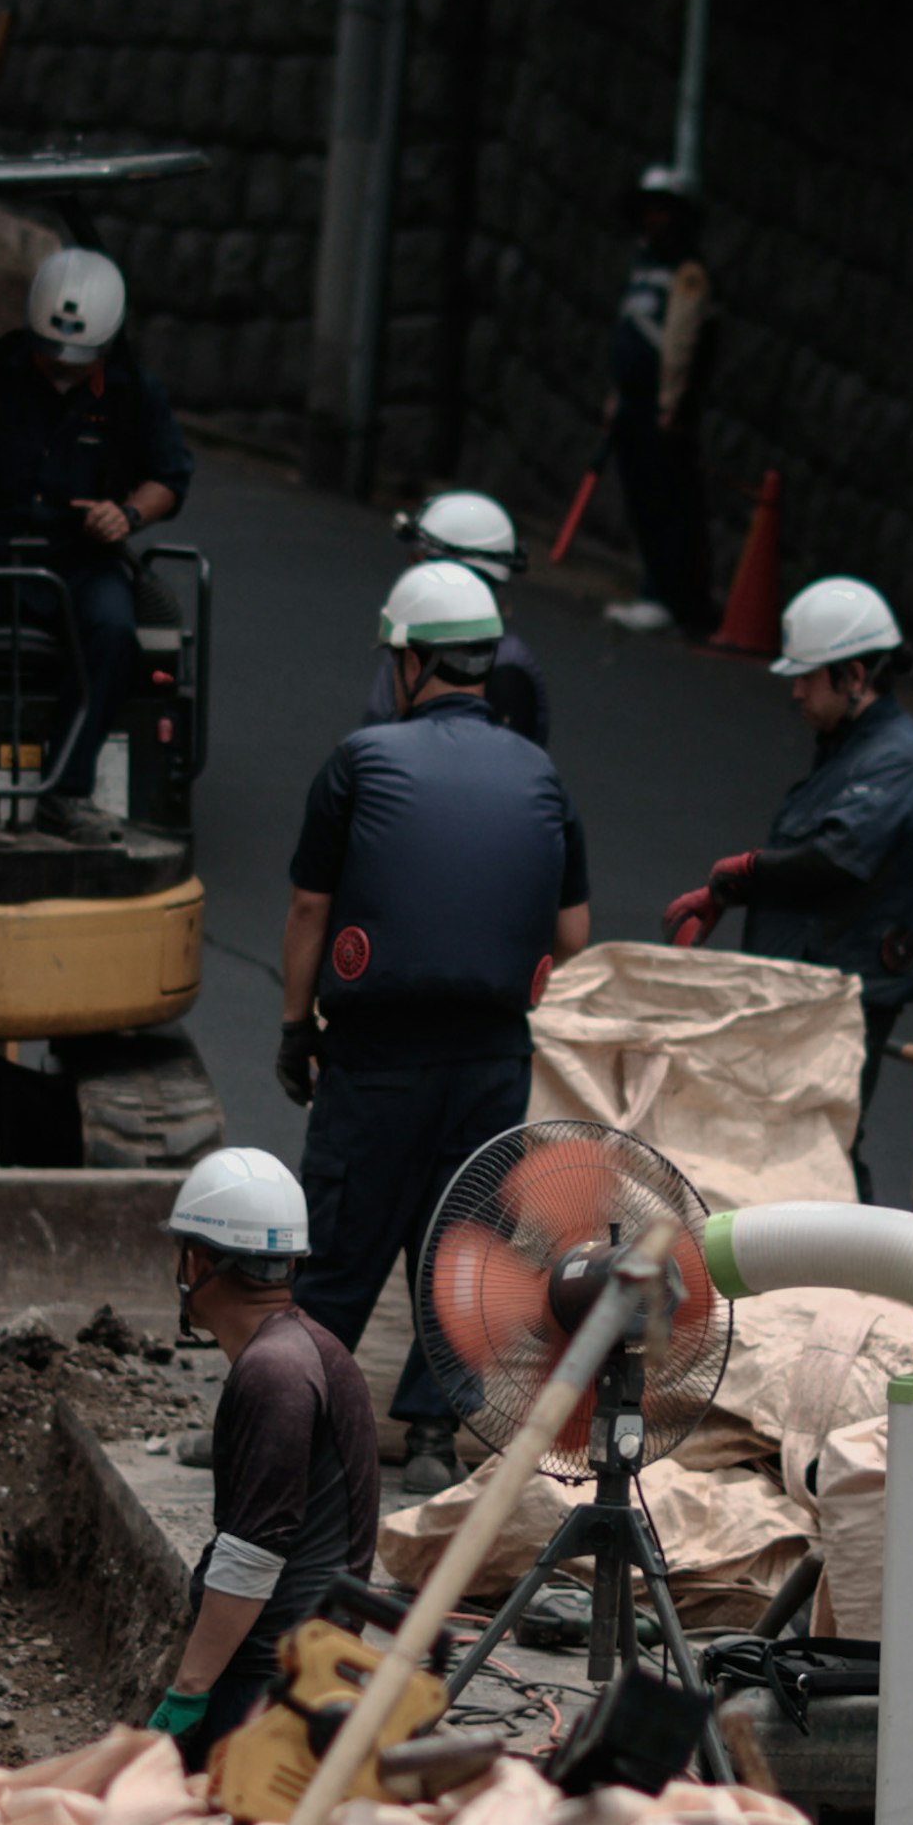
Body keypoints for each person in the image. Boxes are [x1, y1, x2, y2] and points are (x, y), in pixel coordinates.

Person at [280, 561, 595, 1457]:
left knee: (340, 1245)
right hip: (494, 1057)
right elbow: (571, 931)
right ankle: (428, 1434)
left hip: (378, 1054)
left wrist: (296, 1027)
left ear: (412, 662)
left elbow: (309, 907)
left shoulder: (362, 759)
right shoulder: (540, 773)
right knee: (464, 1248)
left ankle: (294, 1427)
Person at [0, 247, 191, 834]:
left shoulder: (132, 392)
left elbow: (170, 478)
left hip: (76, 561)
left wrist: (125, 514)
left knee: (114, 633)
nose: (60, 370)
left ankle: (66, 789)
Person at [666, 575, 913, 1123]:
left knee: (822, 1137)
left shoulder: (894, 761)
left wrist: (744, 871)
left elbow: (836, 858)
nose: (795, 692)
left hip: (841, 990)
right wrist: (731, 889)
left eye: (807, 678)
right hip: (813, 983)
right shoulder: (852, 748)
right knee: (790, 1135)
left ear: (855, 676)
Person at [141, 1146, 383, 1766]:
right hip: (301, 1668)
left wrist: (189, 1690)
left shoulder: (274, 1372)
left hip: (268, 1686)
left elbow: (254, 1553)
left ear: (196, 1260)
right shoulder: (305, 1350)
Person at [604, 170, 717, 637]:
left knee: (667, 499)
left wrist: (671, 402)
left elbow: (682, 342)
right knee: (641, 499)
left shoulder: (687, 274)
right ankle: (655, 587)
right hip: (632, 401)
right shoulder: (642, 267)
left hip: (659, 406)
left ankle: (669, 595)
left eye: (663, 210)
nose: (654, 219)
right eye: (649, 209)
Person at [361, 489, 551, 745]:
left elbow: (505, 777)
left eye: (419, 561)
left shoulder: (504, 676)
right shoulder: (416, 637)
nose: (410, 573)